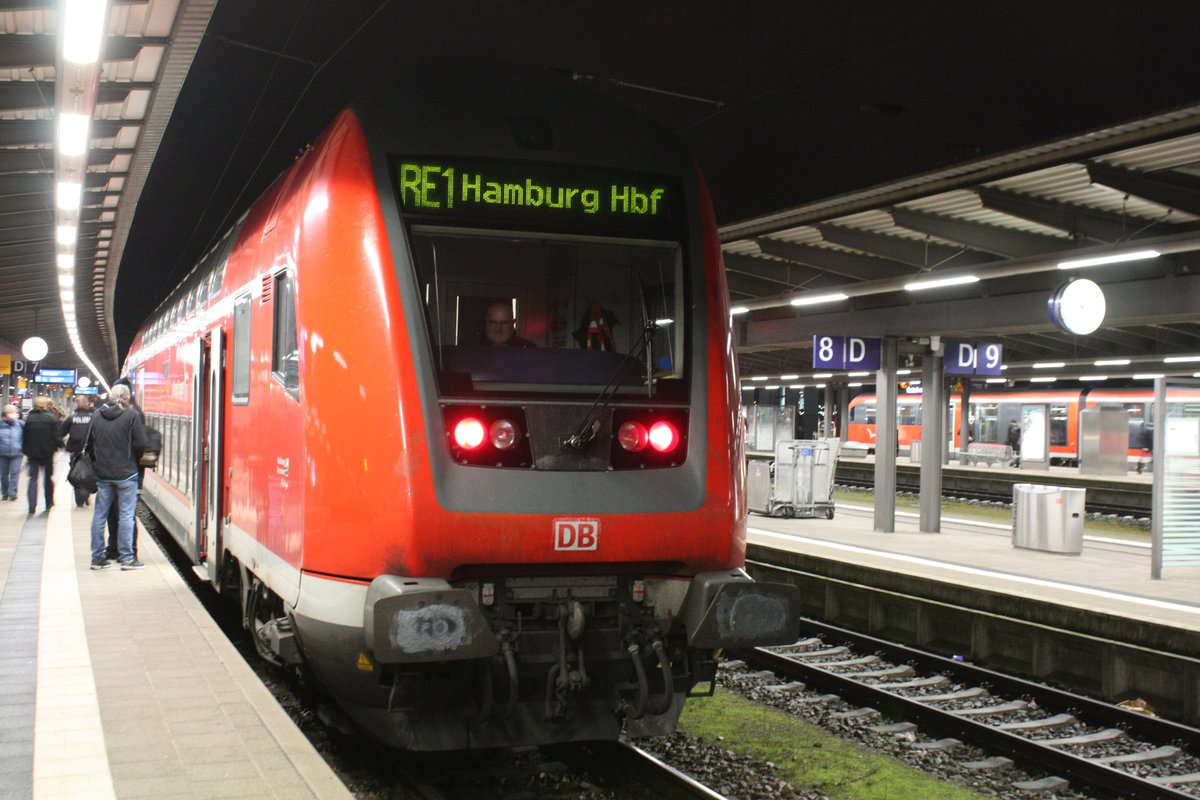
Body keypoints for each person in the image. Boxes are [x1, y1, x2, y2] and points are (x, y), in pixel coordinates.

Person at [87, 384, 147, 570]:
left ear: (111, 398)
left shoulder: (97, 415)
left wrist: (98, 461)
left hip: (103, 474)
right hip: (126, 473)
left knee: (99, 515)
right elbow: (141, 443)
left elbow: (89, 442)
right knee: (126, 515)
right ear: (128, 397)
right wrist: (132, 460)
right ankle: (127, 558)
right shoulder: (132, 416)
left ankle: (98, 558)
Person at [22, 396, 60, 514]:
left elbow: (25, 437)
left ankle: (32, 505)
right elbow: (56, 436)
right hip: (48, 454)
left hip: (33, 454)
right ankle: (48, 502)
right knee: (48, 479)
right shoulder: (51, 419)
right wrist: (59, 446)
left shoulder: (30, 419)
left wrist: (26, 451)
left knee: (33, 478)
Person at [60, 396, 95, 507]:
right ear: (87, 405)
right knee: (89, 472)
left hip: (74, 451)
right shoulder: (93, 418)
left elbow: (60, 434)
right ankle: (86, 493)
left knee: (76, 473)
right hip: (90, 450)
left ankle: (79, 499)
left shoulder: (71, 418)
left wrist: (65, 447)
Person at [0, 404, 23, 501]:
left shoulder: (21, 424)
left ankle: (13, 493)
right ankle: (5, 492)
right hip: (2, 453)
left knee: (14, 473)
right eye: (12, 413)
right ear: (6, 414)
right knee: (3, 474)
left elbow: (27, 436)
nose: (15, 415)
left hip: (17, 452)